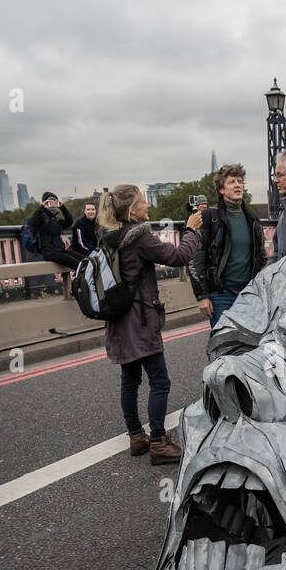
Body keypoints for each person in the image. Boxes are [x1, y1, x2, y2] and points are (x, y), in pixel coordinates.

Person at [98, 185, 194, 463]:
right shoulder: (139, 238)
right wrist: (191, 231)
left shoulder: (106, 236)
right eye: (143, 203)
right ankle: (158, 443)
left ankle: (136, 437)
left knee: (129, 380)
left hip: (117, 318)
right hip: (139, 319)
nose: (148, 207)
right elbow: (178, 257)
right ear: (131, 210)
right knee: (160, 381)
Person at [185, 163, 266, 328]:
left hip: (249, 294)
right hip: (221, 295)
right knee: (224, 347)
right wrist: (202, 296)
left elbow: (261, 257)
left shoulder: (252, 219)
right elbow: (195, 258)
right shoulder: (209, 217)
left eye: (240, 181)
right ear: (221, 189)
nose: (237, 185)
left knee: (248, 347)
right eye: (232, 182)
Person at [28, 192, 86, 278]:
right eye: (50, 201)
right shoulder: (41, 216)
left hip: (60, 251)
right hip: (50, 253)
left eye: (55, 201)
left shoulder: (55, 219)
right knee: (78, 265)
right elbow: (32, 223)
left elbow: (69, 222)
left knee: (85, 260)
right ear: (45, 202)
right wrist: (42, 207)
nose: (53, 204)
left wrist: (63, 207)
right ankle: (80, 287)